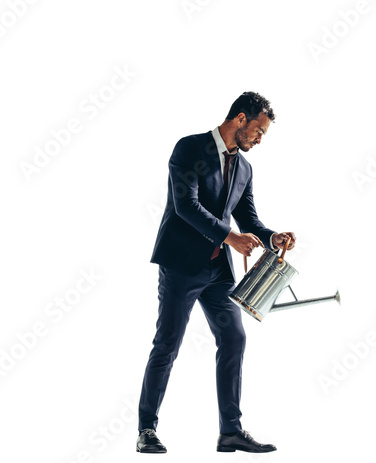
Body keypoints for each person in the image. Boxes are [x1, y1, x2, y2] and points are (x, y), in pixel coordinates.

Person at [137, 91, 296, 453]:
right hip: (181, 266)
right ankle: (146, 429)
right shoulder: (189, 148)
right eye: (258, 131)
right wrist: (231, 237)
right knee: (167, 345)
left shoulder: (245, 168)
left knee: (235, 338)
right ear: (240, 119)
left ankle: (230, 431)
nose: (259, 139)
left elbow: (250, 220)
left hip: (218, 271)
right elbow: (185, 206)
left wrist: (274, 238)